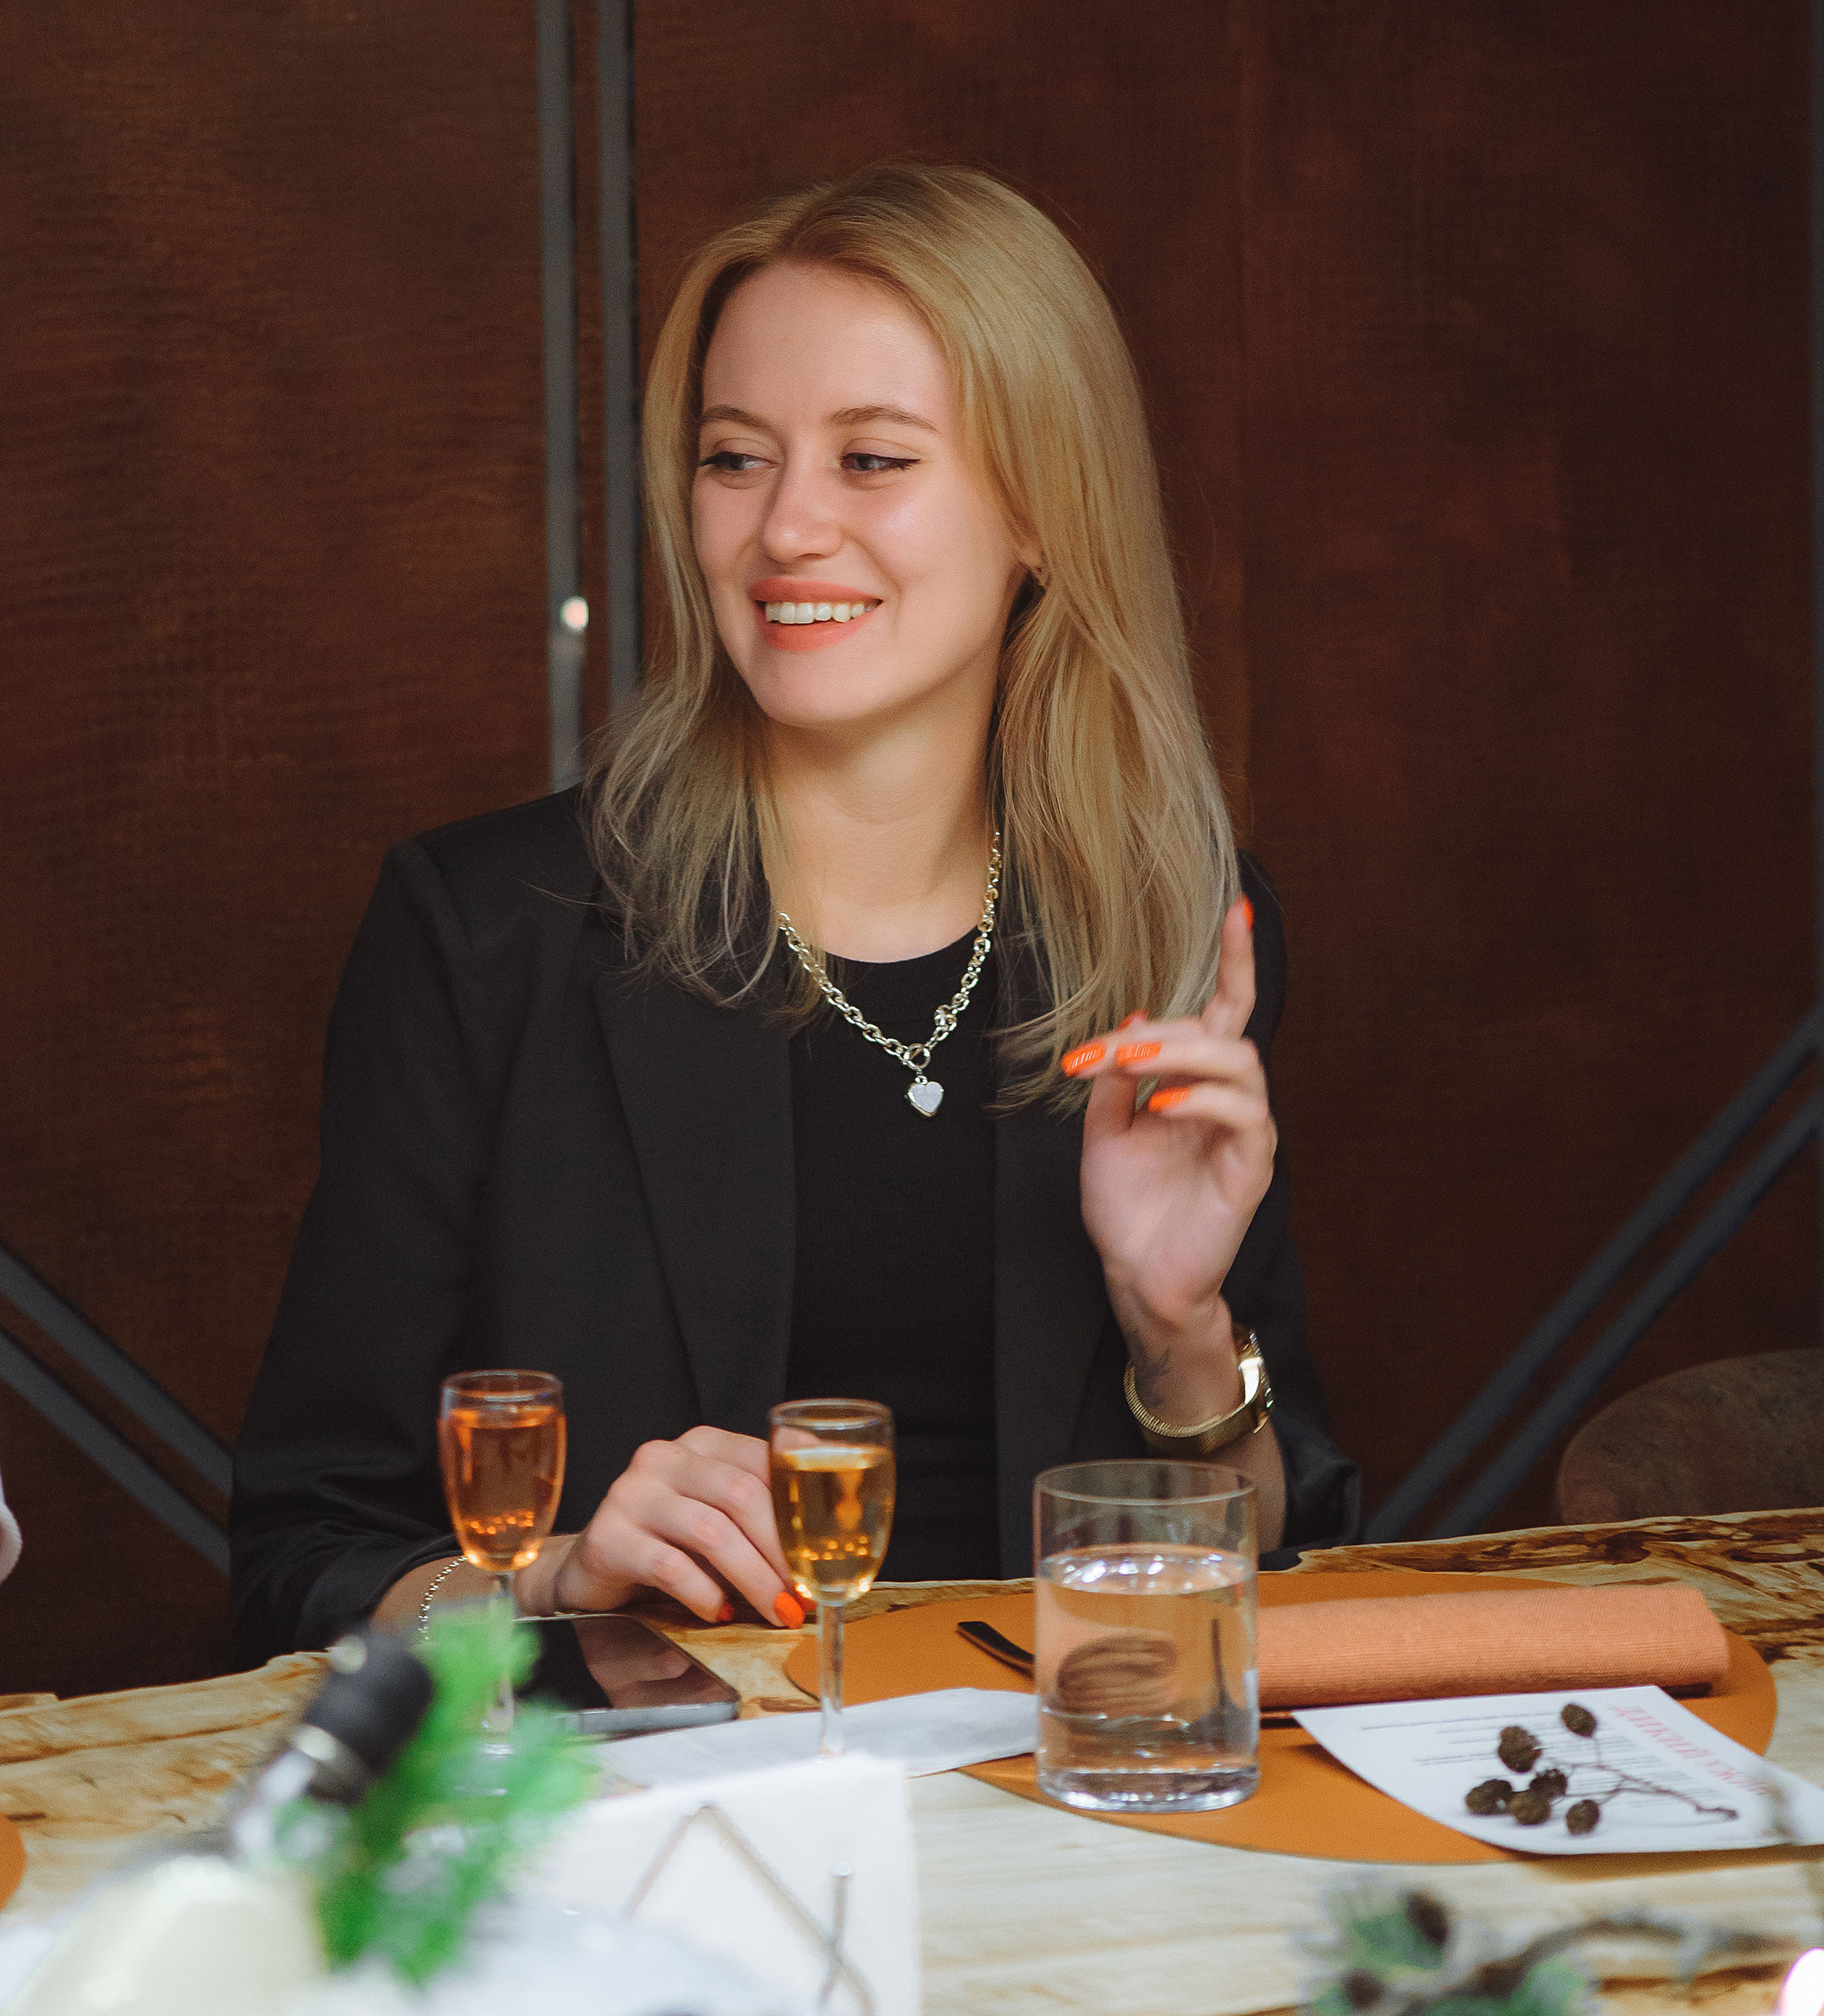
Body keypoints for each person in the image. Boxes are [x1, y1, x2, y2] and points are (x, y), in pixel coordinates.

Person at [229, 162, 1357, 1661]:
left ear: (1042, 513)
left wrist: (1179, 1333)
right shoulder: (485, 931)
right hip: (659, 1786)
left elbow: (1280, 1547)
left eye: (871, 460)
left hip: (1071, 1765)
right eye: (734, 459)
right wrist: (555, 1579)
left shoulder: (1179, 926)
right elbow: (300, 1557)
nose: (785, 530)